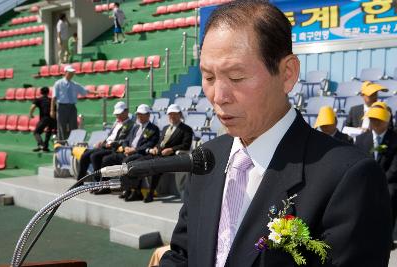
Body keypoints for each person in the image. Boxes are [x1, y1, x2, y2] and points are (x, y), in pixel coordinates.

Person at [160, 1, 392, 266]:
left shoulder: (349, 178)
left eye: (236, 77)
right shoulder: (206, 159)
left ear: (287, 74)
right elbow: (182, 254)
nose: (218, 97)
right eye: (209, 77)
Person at [125, 104, 193, 203]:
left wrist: (171, 149)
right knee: (137, 163)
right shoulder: (166, 128)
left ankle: (151, 192)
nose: (172, 117)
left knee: (157, 165)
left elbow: (186, 145)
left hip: (172, 156)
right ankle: (136, 190)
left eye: (174, 114)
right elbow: (160, 142)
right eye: (170, 114)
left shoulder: (186, 129)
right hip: (158, 154)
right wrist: (155, 148)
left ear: (180, 115)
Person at [355, 102, 397, 248]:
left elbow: (394, 167)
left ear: (386, 121)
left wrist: (380, 182)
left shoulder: (395, 138)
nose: (375, 123)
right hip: (367, 180)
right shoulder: (361, 140)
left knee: (391, 194)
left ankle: (387, 237)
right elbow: (358, 164)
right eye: (372, 119)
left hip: (389, 181)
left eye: (378, 120)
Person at [100, 104, 160, 196]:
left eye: (142, 114)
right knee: (106, 159)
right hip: (128, 151)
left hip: (140, 153)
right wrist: (125, 147)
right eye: (138, 114)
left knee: (127, 162)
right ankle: (105, 186)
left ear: (148, 115)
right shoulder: (136, 127)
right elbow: (126, 140)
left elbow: (150, 144)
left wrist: (134, 150)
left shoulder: (153, 129)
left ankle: (128, 189)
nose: (139, 116)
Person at [77, 101, 134, 185]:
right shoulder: (116, 122)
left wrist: (111, 144)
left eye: (119, 113)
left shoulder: (130, 124)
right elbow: (110, 136)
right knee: (85, 154)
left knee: (94, 156)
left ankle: (98, 182)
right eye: (117, 114)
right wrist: (103, 142)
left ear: (126, 111)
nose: (117, 115)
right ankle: (80, 180)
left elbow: (125, 140)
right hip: (106, 145)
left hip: (114, 148)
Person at [50, 65, 97, 140]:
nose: (72, 74)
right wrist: (52, 110)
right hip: (62, 107)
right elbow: (54, 97)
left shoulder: (74, 84)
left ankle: (73, 142)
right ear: (65, 72)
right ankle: (62, 143)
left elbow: (84, 91)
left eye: (72, 73)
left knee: (73, 126)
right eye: (70, 72)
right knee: (62, 126)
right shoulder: (58, 83)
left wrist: (95, 92)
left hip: (72, 107)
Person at [29, 87, 57, 152]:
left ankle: (42, 145)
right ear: (48, 92)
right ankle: (45, 147)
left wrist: (31, 114)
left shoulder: (39, 99)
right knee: (48, 132)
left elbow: (33, 107)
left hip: (45, 118)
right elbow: (55, 110)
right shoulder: (51, 100)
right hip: (53, 118)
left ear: (40, 92)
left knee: (36, 132)